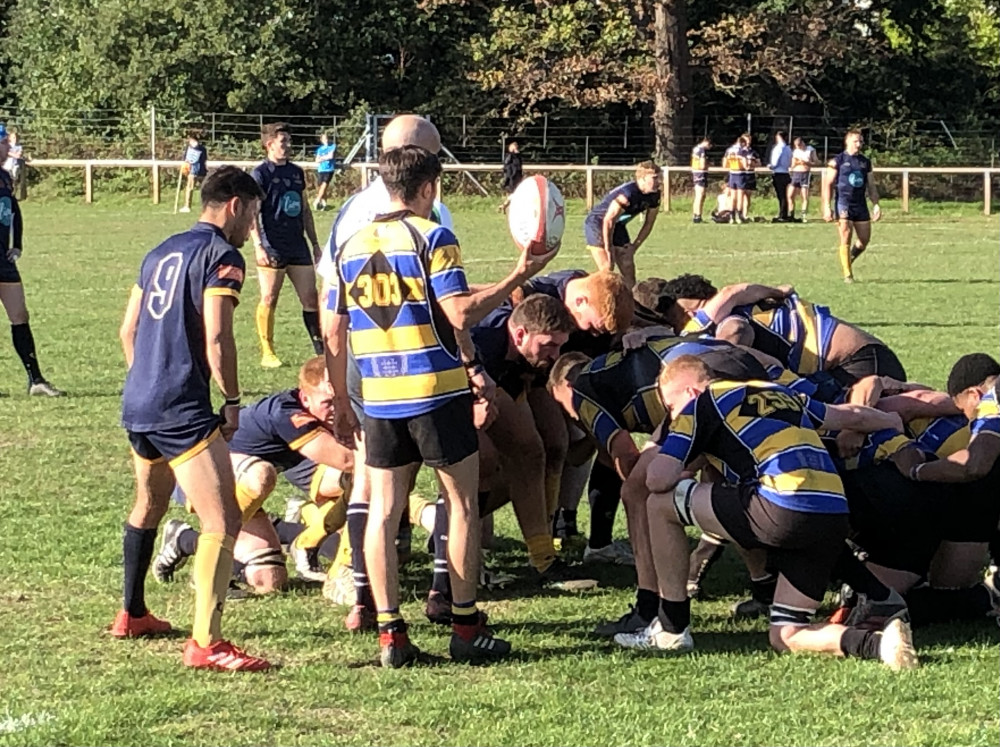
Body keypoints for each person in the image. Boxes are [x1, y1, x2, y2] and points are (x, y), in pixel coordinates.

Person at [326, 145, 555, 667]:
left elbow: (332, 329)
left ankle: (391, 636)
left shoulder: (350, 242)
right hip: (435, 389)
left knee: (383, 511)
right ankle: (466, 627)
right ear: (428, 188)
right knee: (462, 503)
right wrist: (517, 276)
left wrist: (342, 399)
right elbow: (460, 312)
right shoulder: (433, 236)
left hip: (380, 397)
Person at [621, 356, 917, 671]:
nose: (671, 415)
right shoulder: (777, 392)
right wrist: (892, 422)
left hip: (781, 504)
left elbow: (657, 480)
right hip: (831, 513)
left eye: (669, 406)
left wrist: (682, 459)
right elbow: (852, 416)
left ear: (690, 391)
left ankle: (670, 628)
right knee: (786, 634)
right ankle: (880, 644)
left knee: (660, 503)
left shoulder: (700, 405)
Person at [114, 166, 272, 671]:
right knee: (221, 519)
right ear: (234, 205)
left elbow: (127, 330)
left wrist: (146, 379)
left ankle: (132, 612)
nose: (253, 228)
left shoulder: (159, 250)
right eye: (253, 215)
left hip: (139, 401)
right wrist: (231, 400)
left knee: (150, 505)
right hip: (180, 407)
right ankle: (206, 643)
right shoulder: (221, 257)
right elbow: (218, 338)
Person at [317, 114, 452, 635]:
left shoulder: (360, 208)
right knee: (432, 482)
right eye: (436, 158)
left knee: (376, 481)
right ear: (415, 157)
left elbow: (332, 303)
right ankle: (436, 594)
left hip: (365, 361)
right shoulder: (397, 212)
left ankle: (369, 598)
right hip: (407, 360)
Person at [547, 337, 771, 636]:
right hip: (740, 362)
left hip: (705, 377)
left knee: (636, 493)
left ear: (564, 388)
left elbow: (625, 453)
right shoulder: (621, 369)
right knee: (726, 482)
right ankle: (766, 590)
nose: (569, 416)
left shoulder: (582, 390)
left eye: (561, 406)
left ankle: (650, 607)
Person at [152, 356, 355, 589]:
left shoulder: (329, 414)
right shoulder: (287, 414)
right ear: (306, 398)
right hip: (199, 475)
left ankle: (184, 540)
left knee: (269, 581)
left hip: (241, 494)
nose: (336, 409)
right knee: (260, 475)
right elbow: (348, 460)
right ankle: (208, 567)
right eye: (328, 403)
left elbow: (334, 477)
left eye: (340, 400)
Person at [660, 274, 907, 384]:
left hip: (861, 365)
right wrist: (776, 291)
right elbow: (739, 291)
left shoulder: (728, 317)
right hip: (861, 361)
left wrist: (720, 364)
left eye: (684, 313)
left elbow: (734, 330)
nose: (686, 320)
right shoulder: (744, 302)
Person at [251, 122, 325, 368]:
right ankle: (267, 351)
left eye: (289, 141)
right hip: (272, 245)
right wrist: (258, 246)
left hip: (297, 245)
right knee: (269, 297)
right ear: (269, 144)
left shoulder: (296, 172)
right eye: (283, 142)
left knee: (311, 299)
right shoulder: (260, 173)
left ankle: (320, 351)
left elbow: (304, 209)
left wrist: (314, 243)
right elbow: (254, 213)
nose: (288, 146)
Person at [0, 124, 63, 397]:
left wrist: (17, 245)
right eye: (3, 143)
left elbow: (13, 211)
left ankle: (35, 379)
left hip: (3, 259)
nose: (7, 148)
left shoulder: (4, 177)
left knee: (20, 315)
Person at [583, 161, 661, 288]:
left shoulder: (655, 195)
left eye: (659, 177)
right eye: (655, 178)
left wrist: (634, 246)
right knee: (607, 267)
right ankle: (591, 292)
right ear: (642, 178)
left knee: (628, 266)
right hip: (597, 224)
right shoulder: (627, 194)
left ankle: (632, 304)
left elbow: (649, 223)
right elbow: (608, 220)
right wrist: (608, 249)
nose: (659, 182)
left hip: (617, 226)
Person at [822, 130, 882, 284]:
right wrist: (826, 207)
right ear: (847, 142)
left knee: (864, 240)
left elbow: (871, 185)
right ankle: (848, 274)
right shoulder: (837, 161)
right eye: (856, 141)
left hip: (860, 204)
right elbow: (827, 184)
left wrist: (876, 205)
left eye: (861, 141)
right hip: (843, 202)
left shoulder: (865, 162)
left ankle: (849, 258)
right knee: (846, 235)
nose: (859, 144)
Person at [788, 136, 819, 220]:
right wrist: (797, 162)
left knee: (804, 195)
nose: (797, 147)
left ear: (802, 143)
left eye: (798, 145)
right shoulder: (796, 151)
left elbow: (816, 162)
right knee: (790, 195)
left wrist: (806, 162)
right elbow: (792, 164)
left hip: (805, 174)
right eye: (796, 146)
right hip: (795, 173)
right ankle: (791, 214)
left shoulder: (810, 150)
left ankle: (803, 215)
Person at [723, 135, 750, 224]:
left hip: (732, 174)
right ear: (742, 143)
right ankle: (739, 216)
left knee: (733, 197)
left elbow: (725, 164)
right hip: (740, 174)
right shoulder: (742, 151)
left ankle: (731, 217)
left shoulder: (729, 150)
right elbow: (745, 165)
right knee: (740, 197)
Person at [179, 132, 208, 214]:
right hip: (200, 170)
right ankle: (205, 206)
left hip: (195, 170)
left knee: (190, 188)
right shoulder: (202, 148)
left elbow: (189, 159)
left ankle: (187, 206)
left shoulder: (192, 149)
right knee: (203, 188)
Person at [768, 131, 792, 222]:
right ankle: (785, 213)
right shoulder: (788, 148)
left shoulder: (778, 148)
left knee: (781, 195)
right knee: (785, 195)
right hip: (786, 173)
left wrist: (771, 166)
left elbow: (775, 161)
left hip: (778, 173)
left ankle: (782, 215)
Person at [314, 133, 337, 211]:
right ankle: (324, 205)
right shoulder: (320, 149)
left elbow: (330, 156)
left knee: (324, 186)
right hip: (321, 169)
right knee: (320, 187)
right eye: (324, 139)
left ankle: (317, 200)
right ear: (321, 140)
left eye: (326, 138)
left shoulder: (332, 146)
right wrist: (325, 157)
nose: (326, 140)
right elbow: (317, 160)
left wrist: (322, 158)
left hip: (329, 169)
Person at [499, 140, 524, 213]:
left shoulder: (518, 157)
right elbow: (507, 167)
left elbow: (519, 167)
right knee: (512, 194)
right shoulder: (510, 156)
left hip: (516, 178)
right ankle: (504, 206)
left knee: (514, 195)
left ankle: (504, 206)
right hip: (512, 179)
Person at [690, 137, 711, 223]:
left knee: (697, 195)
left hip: (695, 172)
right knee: (700, 195)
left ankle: (695, 214)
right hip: (701, 173)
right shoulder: (701, 150)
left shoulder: (695, 149)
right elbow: (702, 165)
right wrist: (708, 165)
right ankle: (698, 216)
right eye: (709, 144)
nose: (710, 147)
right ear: (705, 142)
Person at [2, 129, 26, 199]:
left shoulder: (18, 146)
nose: (15, 139)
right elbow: (7, 153)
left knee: (14, 178)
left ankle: (13, 193)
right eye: (13, 137)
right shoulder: (6, 146)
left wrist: (13, 154)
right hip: (7, 165)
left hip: (14, 164)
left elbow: (19, 154)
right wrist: (13, 155)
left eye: (15, 137)